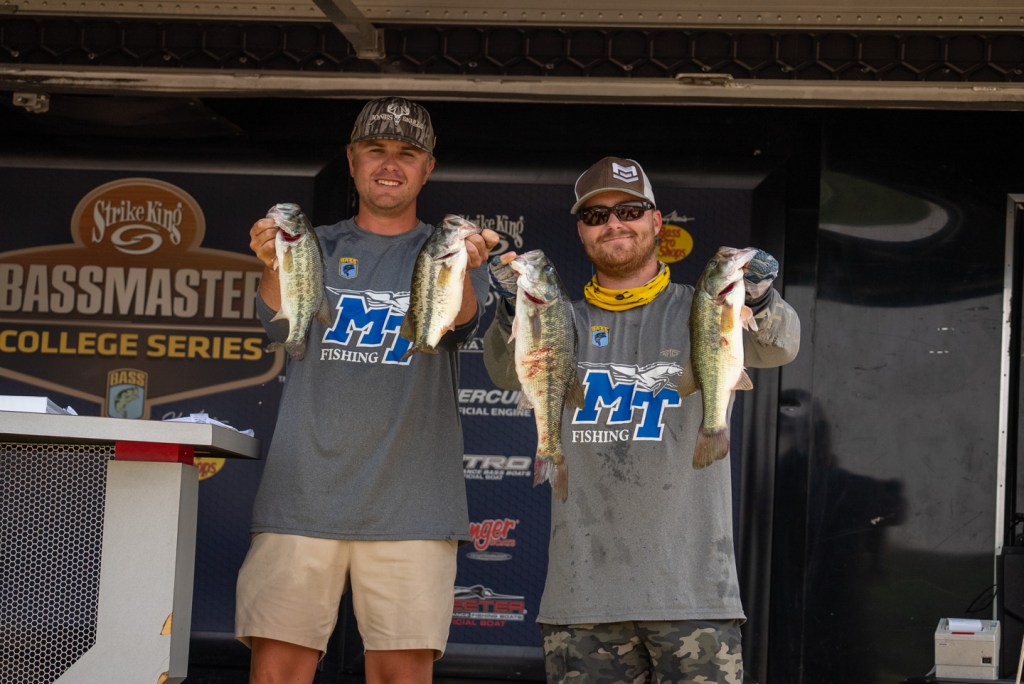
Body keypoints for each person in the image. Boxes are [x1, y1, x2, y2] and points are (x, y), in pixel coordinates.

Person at [483, 156, 801, 682]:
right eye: (596, 216)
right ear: (582, 232)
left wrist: (760, 294)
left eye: (629, 211)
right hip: (582, 600)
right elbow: (501, 371)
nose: (614, 224)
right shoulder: (558, 317)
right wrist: (509, 307)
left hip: (694, 596)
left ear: (656, 221)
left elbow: (781, 346)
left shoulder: (704, 306)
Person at [236, 96, 498, 684]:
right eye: (376, 149)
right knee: (277, 673)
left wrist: (463, 265)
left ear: (428, 168)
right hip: (301, 497)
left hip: (414, 505)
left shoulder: (449, 251)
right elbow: (279, 324)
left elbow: (459, 322)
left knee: (400, 676)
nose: (390, 164)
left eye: (407, 153)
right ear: (352, 161)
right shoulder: (315, 245)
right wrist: (274, 260)